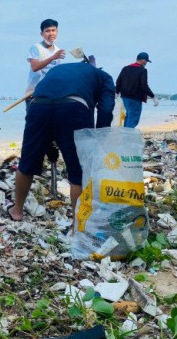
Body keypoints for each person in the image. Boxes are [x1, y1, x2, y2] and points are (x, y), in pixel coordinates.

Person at [7, 60, 115, 222]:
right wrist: (98, 139)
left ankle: (17, 211)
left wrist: (48, 142)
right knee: (78, 172)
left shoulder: (58, 69)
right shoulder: (104, 77)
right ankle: (77, 227)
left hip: (38, 105)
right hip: (74, 107)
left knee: (27, 163)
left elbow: (51, 104)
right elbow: (106, 110)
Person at [115, 52, 158, 128]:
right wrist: (153, 97)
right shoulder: (142, 70)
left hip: (124, 98)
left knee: (128, 116)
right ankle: (127, 138)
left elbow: (118, 81)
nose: (146, 63)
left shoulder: (125, 68)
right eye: (146, 61)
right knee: (133, 119)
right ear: (143, 60)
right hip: (135, 99)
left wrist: (117, 92)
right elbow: (144, 86)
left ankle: (124, 135)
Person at [25, 19, 65, 97]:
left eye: (53, 30)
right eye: (47, 31)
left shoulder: (58, 50)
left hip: (51, 93)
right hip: (34, 94)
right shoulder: (36, 48)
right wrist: (52, 58)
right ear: (41, 34)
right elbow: (35, 67)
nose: (51, 33)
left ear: (57, 32)